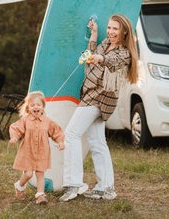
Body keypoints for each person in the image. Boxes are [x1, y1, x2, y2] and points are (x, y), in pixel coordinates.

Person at [59, 14, 138, 202]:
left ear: (124, 31)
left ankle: (74, 184)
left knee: (71, 134)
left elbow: (108, 60)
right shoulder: (105, 42)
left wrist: (98, 57)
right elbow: (94, 52)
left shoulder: (124, 53)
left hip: (100, 98)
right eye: (109, 28)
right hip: (91, 95)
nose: (110, 32)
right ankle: (106, 188)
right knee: (97, 142)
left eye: (115, 29)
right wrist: (94, 34)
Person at [9, 91, 65, 204]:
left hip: (42, 152)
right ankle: (19, 186)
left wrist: (60, 141)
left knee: (40, 175)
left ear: (43, 107)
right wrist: (14, 137)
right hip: (28, 151)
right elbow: (15, 128)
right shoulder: (25, 120)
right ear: (28, 107)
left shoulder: (48, 122)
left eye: (38, 105)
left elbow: (56, 131)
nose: (36, 107)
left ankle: (40, 195)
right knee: (28, 174)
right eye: (32, 105)